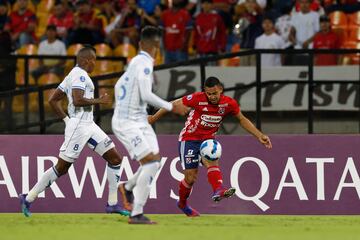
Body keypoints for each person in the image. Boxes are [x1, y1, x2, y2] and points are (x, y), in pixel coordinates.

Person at [19, 46, 129, 217]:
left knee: (115, 159)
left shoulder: (72, 74)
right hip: (79, 126)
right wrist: (98, 100)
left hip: (88, 124)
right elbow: (77, 100)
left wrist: (66, 120)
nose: (95, 64)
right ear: (87, 60)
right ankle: (28, 197)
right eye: (94, 60)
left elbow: (53, 99)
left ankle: (112, 204)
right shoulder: (79, 75)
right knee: (62, 168)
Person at [148, 76, 272, 217]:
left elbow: (242, 119)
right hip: (189, 139)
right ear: (205, 92)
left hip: (207, 141)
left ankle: (218, 189)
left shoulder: (229, 104)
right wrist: (153, 118)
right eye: (209, 94)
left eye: (215, 93)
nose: (212, 97)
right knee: (190, 178)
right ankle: (182, 203)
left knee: (212, 160)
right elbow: (172, 104)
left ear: (221, 90)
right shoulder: (197, 98)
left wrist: (259, 135)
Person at [112, 26, 189, 224]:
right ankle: (137, 213)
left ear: (140, 44)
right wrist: (172, 107)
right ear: (157, 45)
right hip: (128, 121)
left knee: (156, 161)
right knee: (152, 163)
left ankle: (128, 187)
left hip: (138, 118)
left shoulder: (134, 63)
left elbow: (119, 85)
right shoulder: (144, 63)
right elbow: (146, 95)